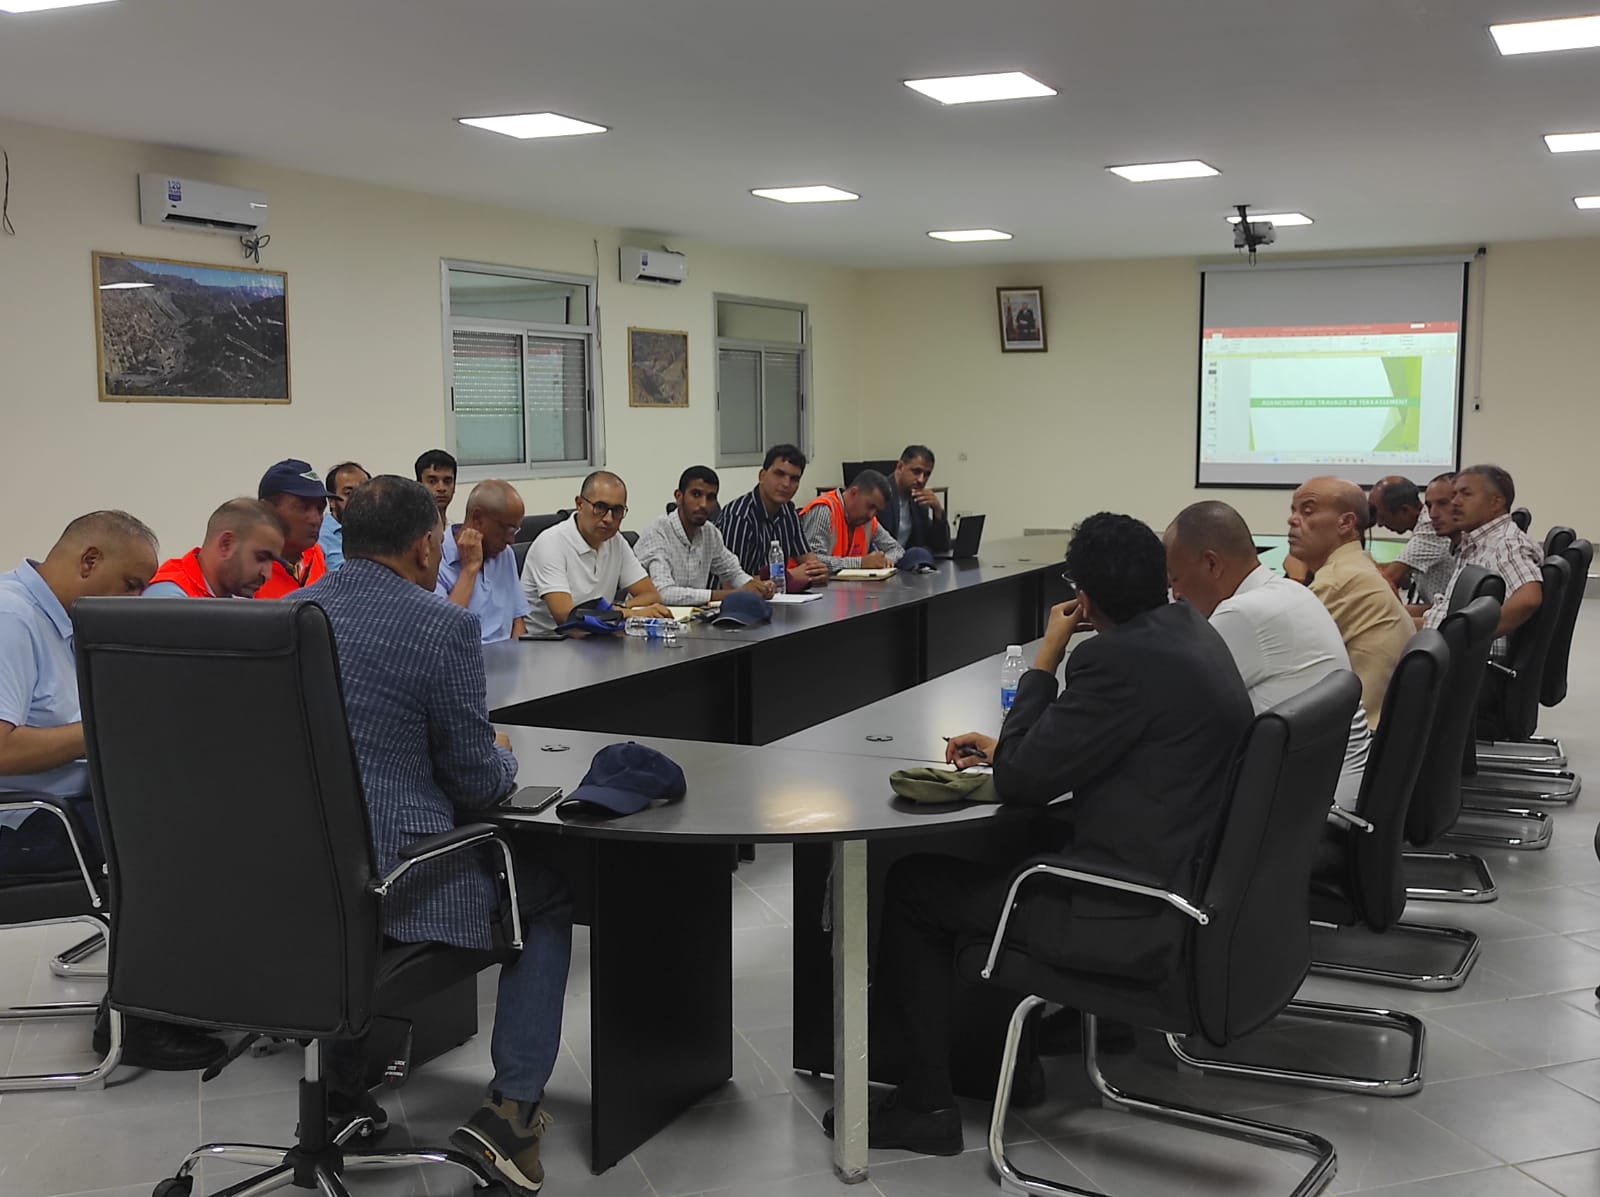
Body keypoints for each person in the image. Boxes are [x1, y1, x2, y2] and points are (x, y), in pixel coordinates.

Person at [827, 514, 1253, 1155]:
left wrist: (1045, 659)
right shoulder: (1192, 631)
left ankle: (926, 1103)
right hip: (1191, 886)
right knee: (1021, 846)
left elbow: (1023, 781)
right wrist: (1019, 747)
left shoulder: (1113, 660)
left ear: (1084, 598)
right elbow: (1110, 746)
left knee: (914, 883)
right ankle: (1040, 1051)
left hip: (1131, 912)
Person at [300, 477, 572, 1192]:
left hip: (300, 878)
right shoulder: (439, 625)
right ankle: (512, 1114)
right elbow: (478, 784)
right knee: (544, 894)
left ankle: (339, 1091)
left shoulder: (294, 611)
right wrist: (502, 751)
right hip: (395, 883)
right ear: (426, 546)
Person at [0, 511, 228, 1071]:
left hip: (61, 805)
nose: (134, 600)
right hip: (25, 823)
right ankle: (137, 1019)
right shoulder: (12, 619)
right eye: (130, 585)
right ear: (89, 560)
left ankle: (173, 993)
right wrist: (108, 723)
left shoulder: (57, 620)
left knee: (199, 812)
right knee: (177, 840)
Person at [1165, 500, 1371, 810]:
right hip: (1328, 794)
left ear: (1211, 564)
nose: (1176, 594)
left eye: (1175, 579)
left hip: (1303, 811)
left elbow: (1171, 712)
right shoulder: (1291, 591)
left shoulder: (1242, 613)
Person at [1287, 477, 1415, 728]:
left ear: (1346, 523)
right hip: (1374, 725)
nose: (1292, 520)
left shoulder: (1339, 581)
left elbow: (1282, 657)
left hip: (1355, 735)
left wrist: (1295, 579)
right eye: (1293, 511)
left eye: (1307, 511)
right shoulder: (1355, 564)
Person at [519, 471, 671, 632]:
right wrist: (626, 614)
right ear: (579, 504)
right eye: (600, 507)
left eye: (617, 510)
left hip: (597, 637)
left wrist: (617, 609)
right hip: (550, 641)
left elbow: (651, 596)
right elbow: (567, 617)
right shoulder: (551, 543)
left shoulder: (615, 541)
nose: (608, 519)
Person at [1420, 465, 1543, 659]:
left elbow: (1529, 598)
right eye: (1455, 494)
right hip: (1440, 642)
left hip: (1464, 661)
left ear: (1496, 502)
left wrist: (1469, 639)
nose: (1455, 502)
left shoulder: (1505, 543)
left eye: (1465, 494)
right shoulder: (1478, 542)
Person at [632, 466, 776, 605]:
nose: (703, 504)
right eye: (696, 495)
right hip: (648, 618)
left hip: (694, 617)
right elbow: (663, 593)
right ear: (679, 496)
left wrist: (757, 588)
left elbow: (733, 572)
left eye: (711, 497)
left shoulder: (710, 533)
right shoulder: (658, 531)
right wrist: (733, 594)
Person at [713, 444, 830, 589]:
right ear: (762, 476)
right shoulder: (739, 516)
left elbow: (809, 561)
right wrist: (788, 576)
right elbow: (730, 583)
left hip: (776, 597)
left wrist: (818, 571)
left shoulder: (788, 512)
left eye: (794, 479)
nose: (786, 484)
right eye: (779, 474)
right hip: (733, 601)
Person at [436, 479, 531, 643]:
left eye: (515, 531)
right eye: (508, 529)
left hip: (508, 654)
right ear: (477, 517)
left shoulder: (505, 553)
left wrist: (518, 653)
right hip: (464, 656)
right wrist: (469, 570)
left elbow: (518, 621)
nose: (511, 540)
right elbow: (445, 632)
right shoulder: (437, 558)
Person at [144, 498, 287, 599]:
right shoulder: (167, 597)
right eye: (261, 558)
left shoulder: (239, 600)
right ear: (226, 544)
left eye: (272, 562)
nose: (267, 574)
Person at [255, 458, 332, 599]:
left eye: (320, 509)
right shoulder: (247, 569)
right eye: (303, 507)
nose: (315, 520)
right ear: (267, 510)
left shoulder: (315, 554)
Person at [799, 468, 905, 572]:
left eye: (877, 511)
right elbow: (812, 562)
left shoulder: (868, 522)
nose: (871, 515)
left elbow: (896, 549)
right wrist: (860, 563)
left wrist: (886, 561)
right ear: (854, 492)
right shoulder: (824, 510)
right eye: (870, 506)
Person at [1379, 473, 1458, 603]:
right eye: (1429, 506)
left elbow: (1388, 579)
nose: (1433, 514)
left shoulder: (1430, 527)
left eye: (1443, 503)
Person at [877, 445, 951, 553]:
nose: (921, 480)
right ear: (900, 467)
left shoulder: (918, 500)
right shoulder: (879, 494)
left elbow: (940, 547)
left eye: (926, 474)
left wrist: (938, 510)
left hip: (907, 560)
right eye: (916, 471)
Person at [319, 461, 371, 572]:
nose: (359, 499)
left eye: (364, 491)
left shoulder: (380, 532)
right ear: (332, 501)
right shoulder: (318, 537)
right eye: (349, 493)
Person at [416, 449, 458, 521]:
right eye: (432, 481)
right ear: (418, 485)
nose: (441, 488)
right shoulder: (407, 527)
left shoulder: (455, 527)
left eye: (447, 481)